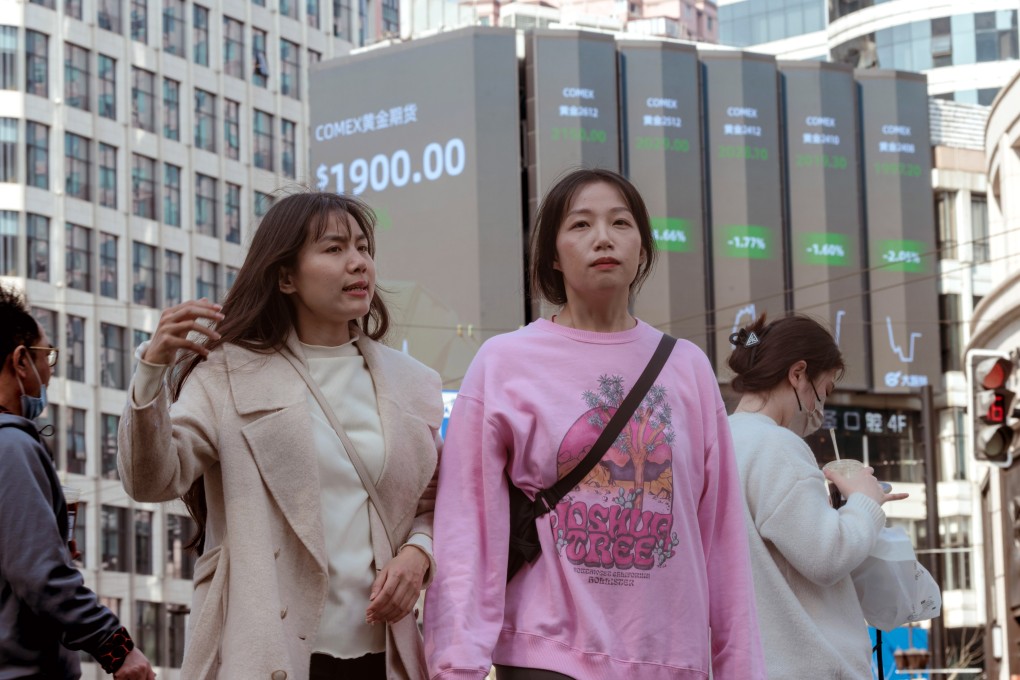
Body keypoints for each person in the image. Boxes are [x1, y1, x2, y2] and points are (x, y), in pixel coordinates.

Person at [424, 169, 765, 679]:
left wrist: (740, 670)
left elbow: (722, 537)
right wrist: (456, 667)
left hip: (670, 660)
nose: (603, 238)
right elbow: (467, 530)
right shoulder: (504, 363)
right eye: (581, 224)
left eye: (620, 223)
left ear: (642, 249)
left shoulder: (688, 368)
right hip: (547, 655)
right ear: (552, 255)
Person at [118, 192, 444, 679]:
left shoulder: (413, 383)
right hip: (264, 655)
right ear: (286, 277)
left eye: (363, 247)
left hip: (385, 657)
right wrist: (151, 372)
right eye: (334, 249)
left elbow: (437, 501)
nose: (358, 262)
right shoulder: (228, 373)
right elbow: (151, 480)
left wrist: (419, 552)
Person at [726, 313, 909, 677]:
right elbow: (826, 555)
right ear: (798, 374)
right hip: (801, 665)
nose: (820, 409)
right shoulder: (776, 445)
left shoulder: (716, 441)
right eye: (824, 390)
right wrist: (865, 501)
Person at [0, 285, 155, 680]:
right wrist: (116, 647)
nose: (50, 370)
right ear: (20, 361)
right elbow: (40, 574)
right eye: (47, 355)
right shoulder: (12, 446)